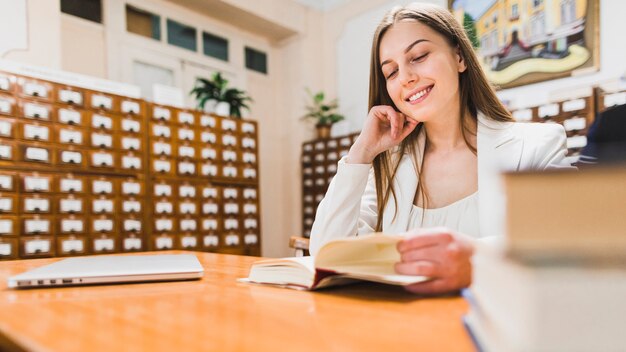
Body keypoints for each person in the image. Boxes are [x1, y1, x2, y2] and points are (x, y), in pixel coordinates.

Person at [309, 3, 572, 295]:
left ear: (459, 57)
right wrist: (360, 154)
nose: (406, 77)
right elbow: (326, 256)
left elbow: (568, 247)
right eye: (391, 71)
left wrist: (474, 259)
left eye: (419, 56)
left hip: (494, 333)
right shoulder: (388, 167)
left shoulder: (538, 145)